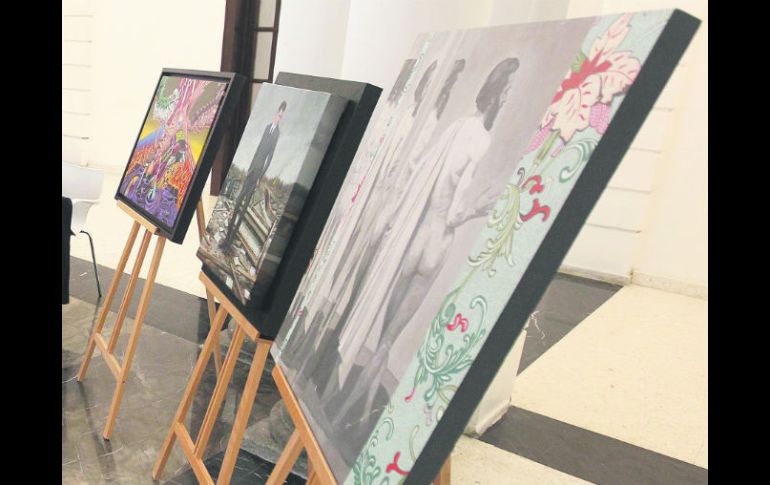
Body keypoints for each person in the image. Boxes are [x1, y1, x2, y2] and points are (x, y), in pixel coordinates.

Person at [327, 57, 521, 434]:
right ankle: (346, 417)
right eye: (508, 89)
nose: (509, 96)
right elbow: (454, 212)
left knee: (381, 339)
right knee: (387, 342)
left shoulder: (455, 128)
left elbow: (423, 175)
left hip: (415, 241)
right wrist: (480, 209)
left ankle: (353, 409)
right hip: (437, 245)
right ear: (498, 93)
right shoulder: (481, 140)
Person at [220, 101, 286, 251]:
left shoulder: (276, 134)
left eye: (281, 117)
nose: (279, 118)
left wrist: (260, 177)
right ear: (276, 113)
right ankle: (226, 239)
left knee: (243, 209)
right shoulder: (267, 128)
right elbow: (258, 149)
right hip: (251, 170)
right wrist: (250, 168)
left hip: (257, 174)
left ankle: (230, 243)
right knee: (238, 203)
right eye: (278, 114)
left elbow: (270, 158)